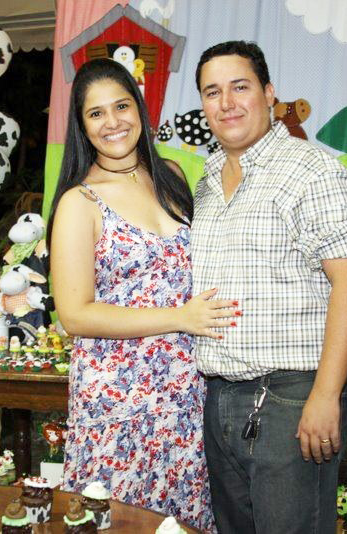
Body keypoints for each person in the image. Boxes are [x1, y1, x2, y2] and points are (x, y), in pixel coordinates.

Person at [191, 41, 347, 533]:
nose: (226, 103)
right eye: (212, 92)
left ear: (270, 94)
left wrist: (325, 395)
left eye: (240, 87)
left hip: (291, 397)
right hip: (220, 395)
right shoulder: (206, 184)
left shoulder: (311, 170)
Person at [48, 58, 238, 532]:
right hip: (118, 397)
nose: (112, 122)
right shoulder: (79, 202)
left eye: (121, 106)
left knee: (184, 518)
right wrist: (179, 317)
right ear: (81, 126)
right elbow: (75, 315)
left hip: (185, 389)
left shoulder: (171, 175)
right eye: (96, 113)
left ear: (139, 108)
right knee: (118, 517)